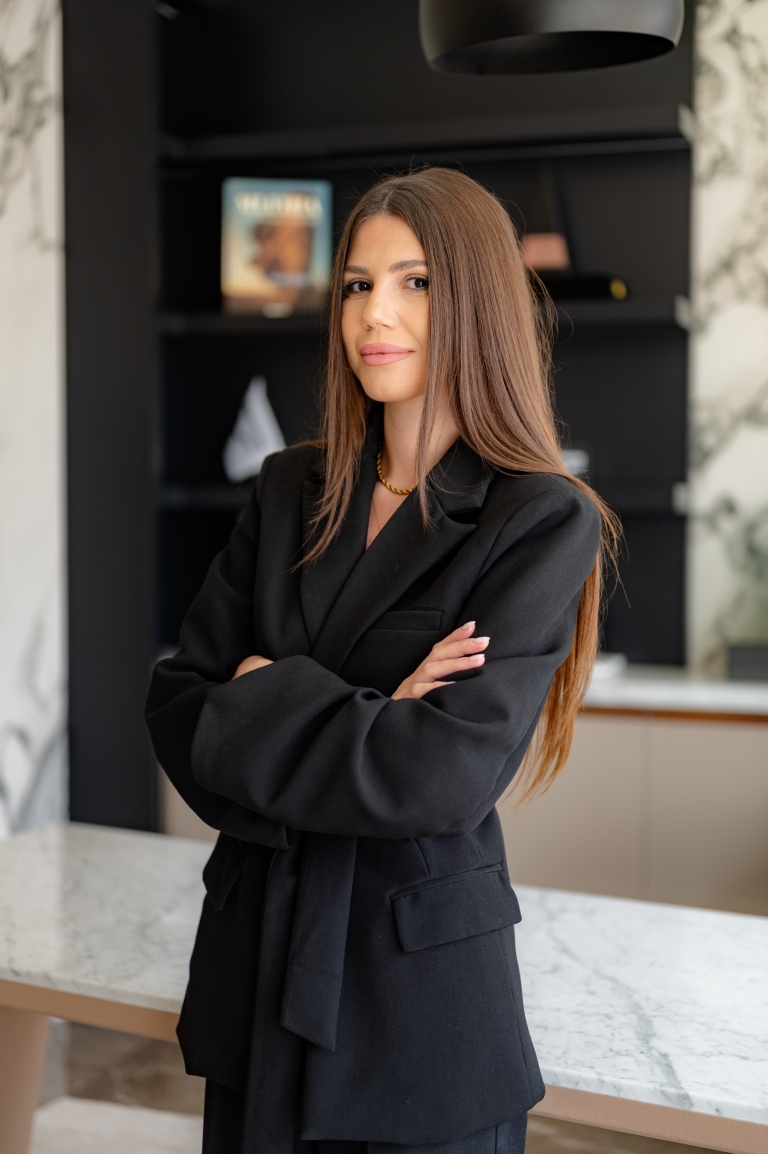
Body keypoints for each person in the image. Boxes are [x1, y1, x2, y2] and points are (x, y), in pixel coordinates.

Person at [146, 167, 615, 1154]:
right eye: (358, 284)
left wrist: (262, 693)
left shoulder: (538, 517)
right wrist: (375, 711)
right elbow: (179, 706)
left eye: (415, 282)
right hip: (257, 979)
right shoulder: (287, 489)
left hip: (417, 1015)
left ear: (479, 301)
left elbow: (438, 774)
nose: (375, 313)